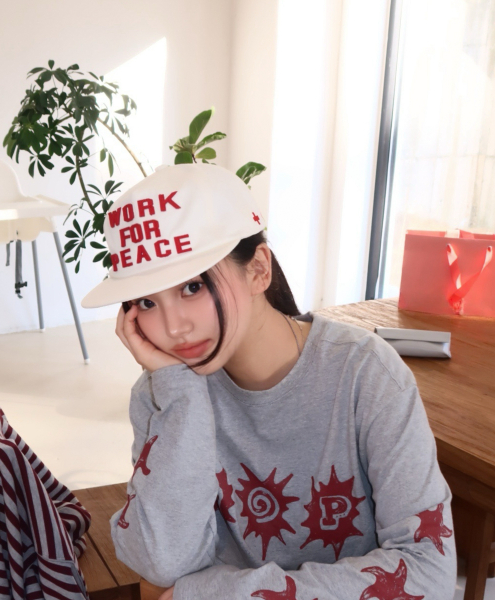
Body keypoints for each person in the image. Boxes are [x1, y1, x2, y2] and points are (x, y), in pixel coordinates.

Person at [81, 163, 457, 600]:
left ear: (259, 269)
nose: (173, 327)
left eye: (192, 287)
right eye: (146, 302)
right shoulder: (162, 392)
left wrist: (214, 594)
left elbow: (428, 573)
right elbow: (161, 562)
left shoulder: (366, 374)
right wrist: (181, 397)